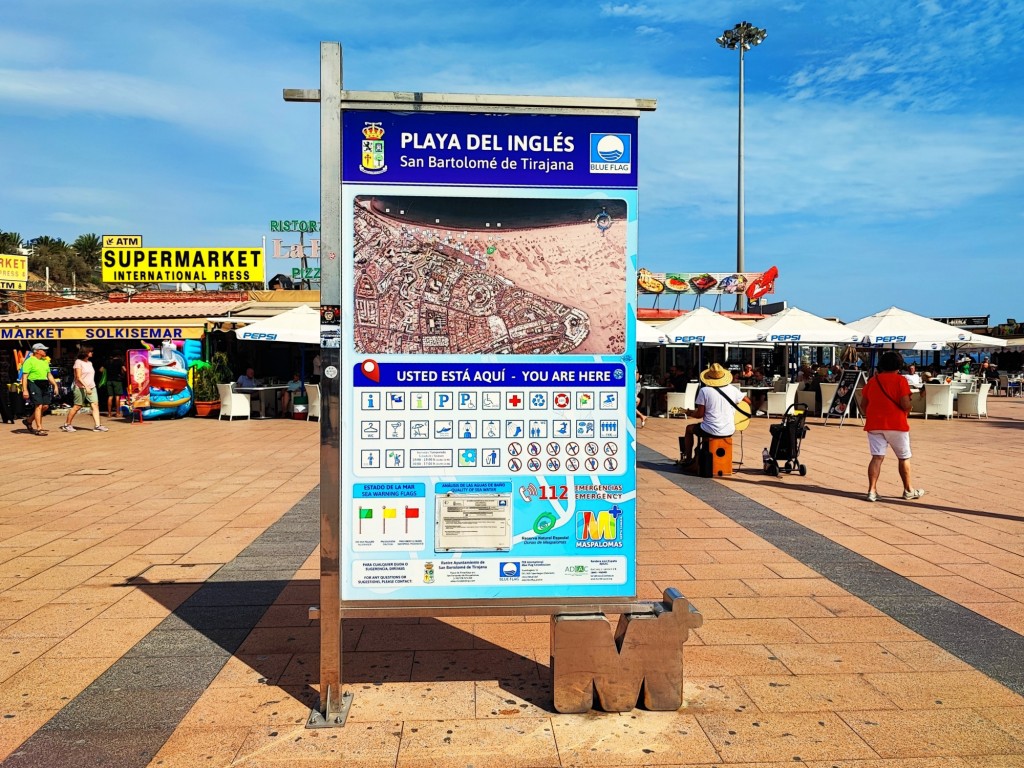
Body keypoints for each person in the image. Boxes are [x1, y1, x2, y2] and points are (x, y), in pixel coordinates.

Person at [861, 351, 925, 502]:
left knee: (877, 457)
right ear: (899, 365)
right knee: (903, 458)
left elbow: (863, 404)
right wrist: (909, 409)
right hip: (897, 424)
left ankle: (872, 491)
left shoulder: (873, 380)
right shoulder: (900, 380)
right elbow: (905, 404)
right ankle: (908, 490)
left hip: (875, 424)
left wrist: (873, 414)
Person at [678, 363, 750, 468]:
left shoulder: (704, 391)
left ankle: (688, 458)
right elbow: (748, 401)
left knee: (689, 429)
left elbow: (699, 414)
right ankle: (702, 452)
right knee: (707, 431)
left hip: (710, 429)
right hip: (729, 429)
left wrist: (689, 413)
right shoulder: (732, 389)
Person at [61, 345, 108, 432]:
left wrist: (90, 387)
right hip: (80, 387)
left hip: (92, 387)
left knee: (95, 405)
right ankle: (67, 424)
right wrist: (86, 387)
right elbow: (78, 377)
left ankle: (97, 425)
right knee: (77, 406)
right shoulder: (78, 362)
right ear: (85, 353)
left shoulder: (90, 363)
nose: (92, 353)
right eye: (90, 351)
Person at [20, 343, 58, 436]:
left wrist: (55, 385)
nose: (45, 351)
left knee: (45, 406)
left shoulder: (44, 361)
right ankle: (39, 428)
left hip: (44, 383)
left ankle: (28, 421)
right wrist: (25, 390)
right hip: (33, 383)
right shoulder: (29, 361)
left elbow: (49, 375)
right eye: (43, 350)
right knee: (39, 405)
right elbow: (24, 377)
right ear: (37, 351)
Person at [106, 352, 125, 417]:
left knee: (110, 396)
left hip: (109, 380)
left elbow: (101, 370)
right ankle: (117, 413)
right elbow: (124, 370)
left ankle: (109, 413)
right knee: (117, 396)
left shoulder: (108, 361)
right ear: (118, 355)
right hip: (117, 380)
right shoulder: (120, 361)